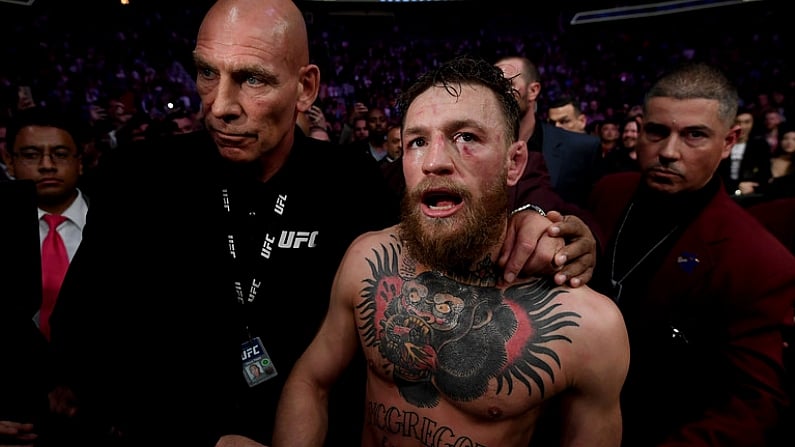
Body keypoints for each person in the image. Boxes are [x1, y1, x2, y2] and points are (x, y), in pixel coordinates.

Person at [48, 1, 600, 447]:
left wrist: (532, 221)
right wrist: (195, 435)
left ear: (306, 87)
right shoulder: (135, 178)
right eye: (206, 74)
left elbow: (445, 217)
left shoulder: (350, 179)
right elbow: (82, 333)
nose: (220, 106)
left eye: (252, 80)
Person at [272, 55, 630, 447]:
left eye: (467, 138)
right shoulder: (367, 260)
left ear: (515, 163)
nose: (435, 162)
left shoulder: (589, 325)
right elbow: (311, 382)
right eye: (417, 142)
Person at [588, 62, 795, 447]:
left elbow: (754, 405)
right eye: (657, 132)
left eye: (694, 136)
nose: (668, 152)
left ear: (729, 141)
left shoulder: (760, 260)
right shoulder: (609, 192)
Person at [0, 106, 91, 446]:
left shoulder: (124, 227)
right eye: (31, 154)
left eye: (60, 154)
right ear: (9, 161)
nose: (47, 165)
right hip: (14, 419)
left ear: (81, 160)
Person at [495, 56, 602, 209]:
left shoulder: (580, 149)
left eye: (507, 84)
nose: (498, 92)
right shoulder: (476, 149)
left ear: (533, 91)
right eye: (493, 86)